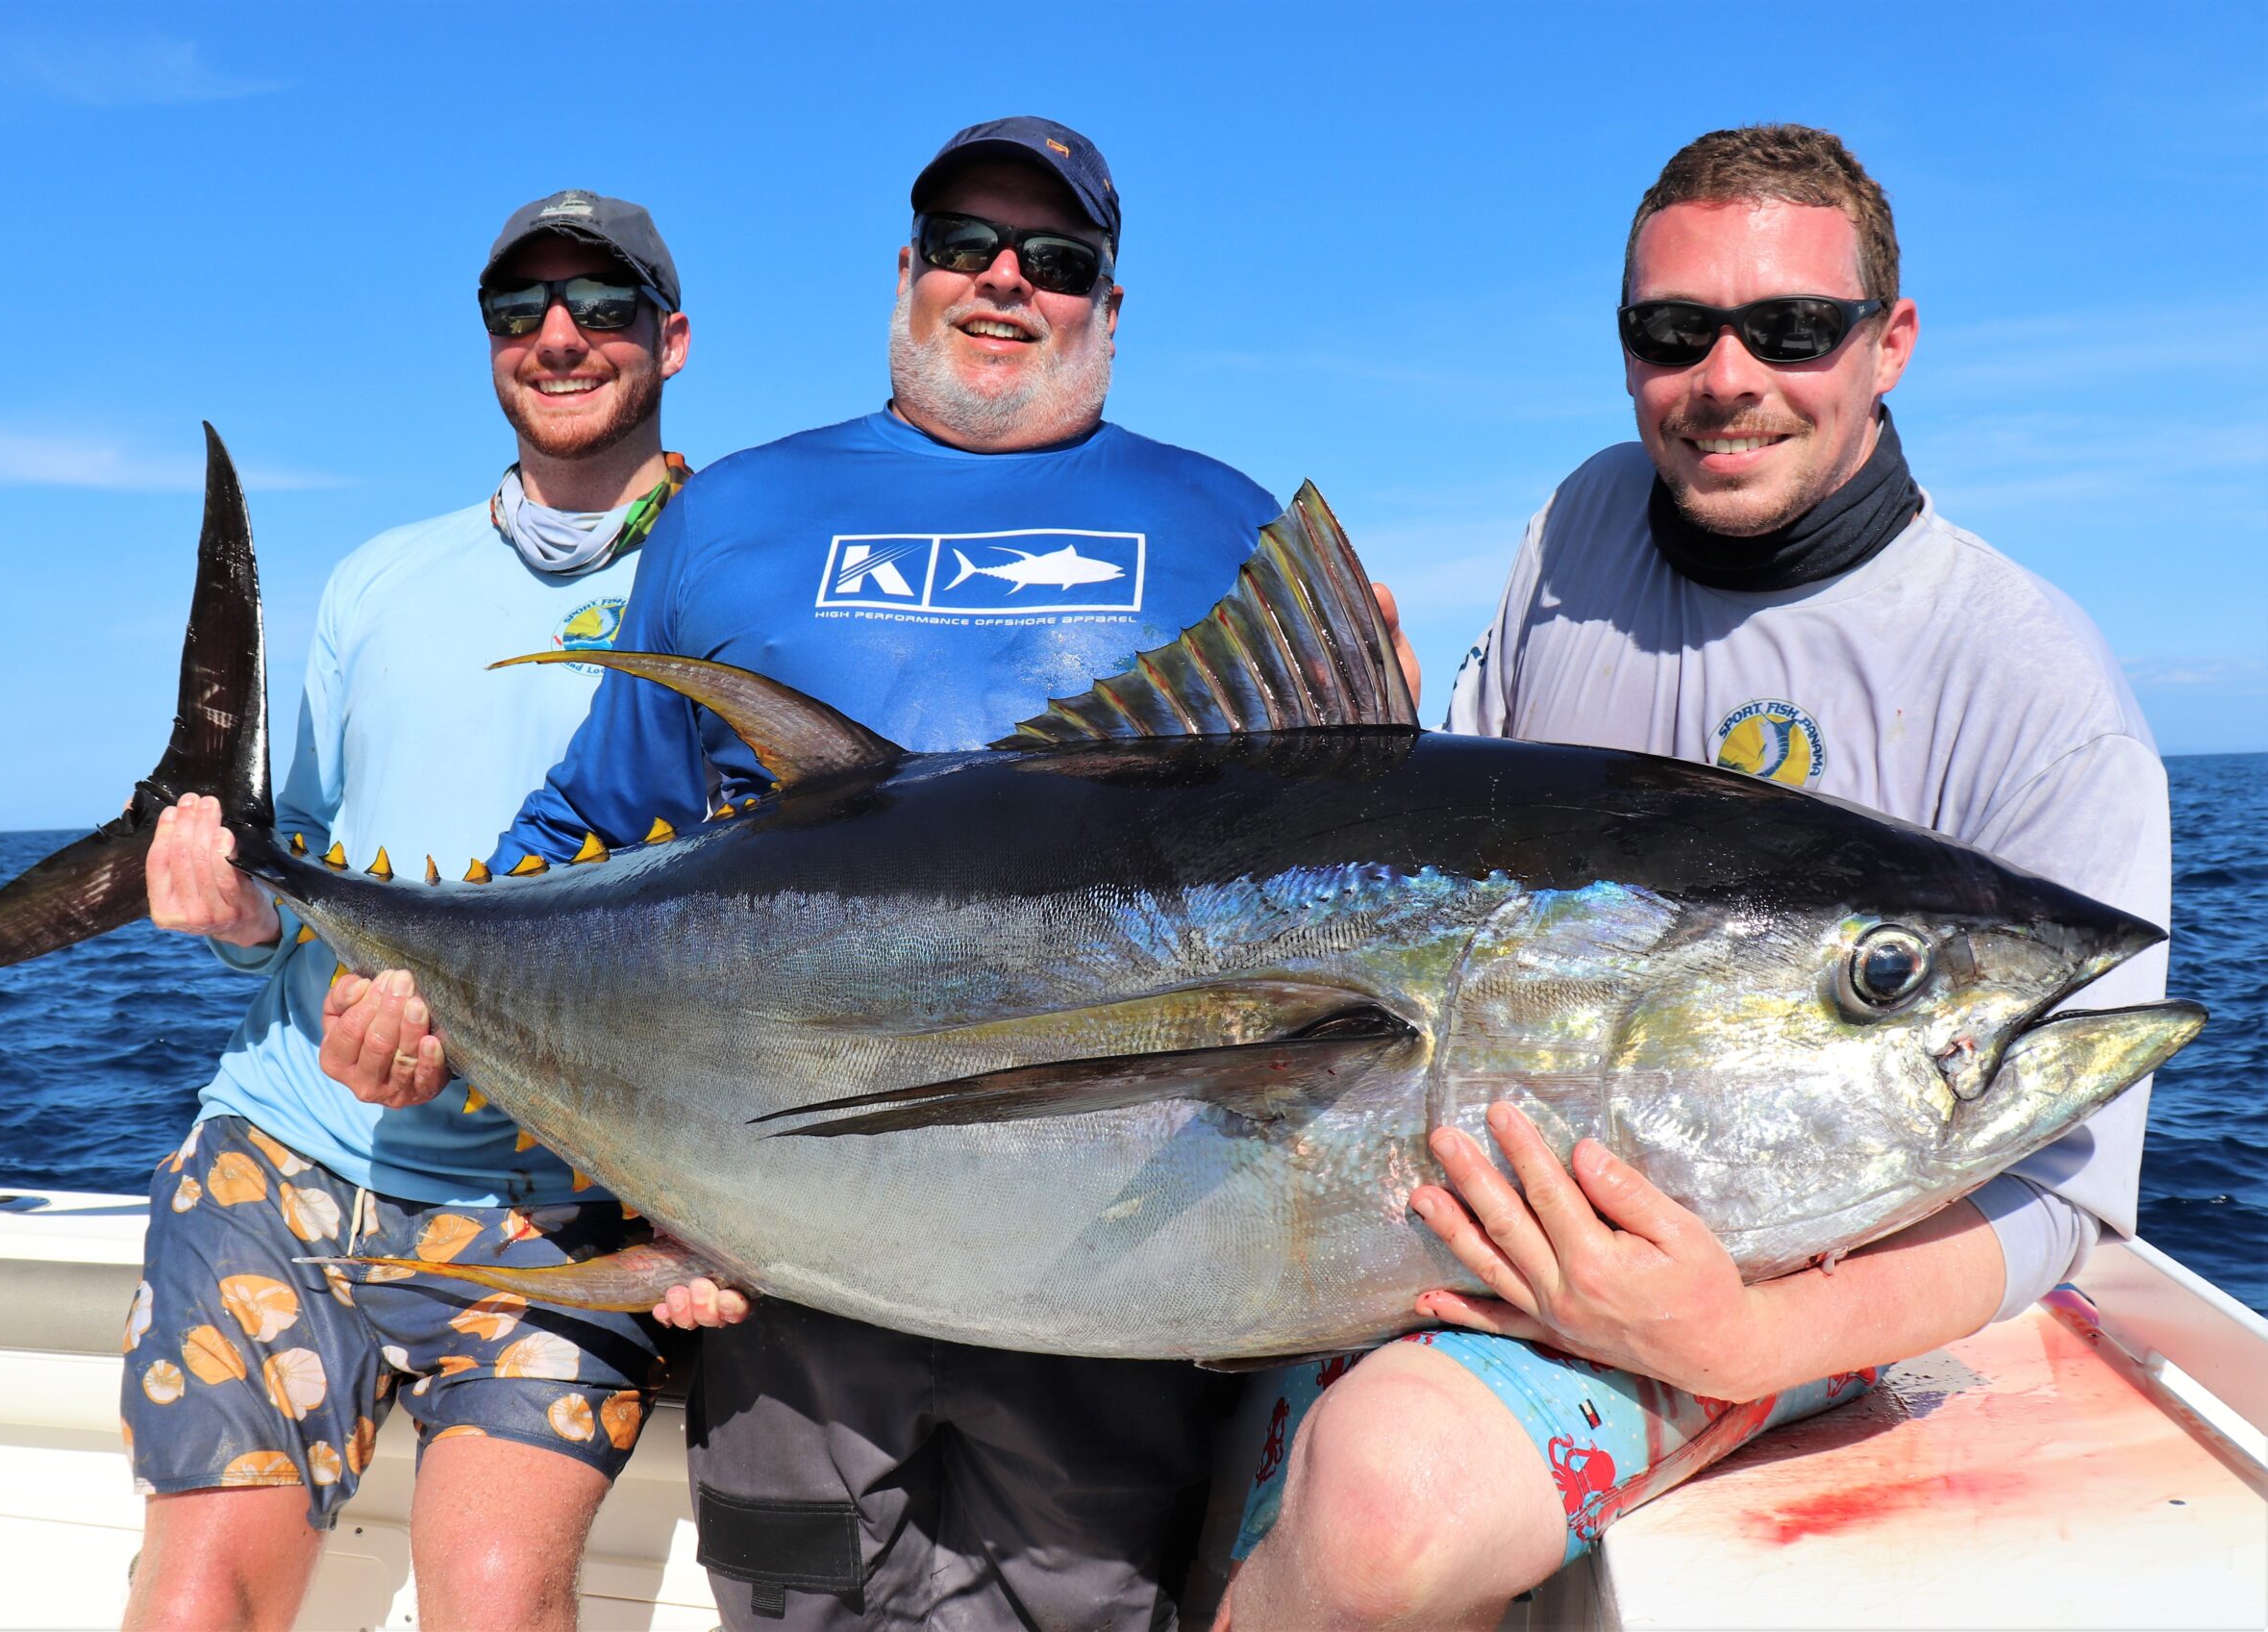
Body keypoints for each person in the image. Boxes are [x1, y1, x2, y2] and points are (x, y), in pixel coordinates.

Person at [322, 115, 1420, 1630]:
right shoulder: (732, 515)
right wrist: (453, 1017)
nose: (1004, 282)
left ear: (1110, 302)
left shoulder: (1225, 522)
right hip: (788, 1283)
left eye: (1056, 258)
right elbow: (577, 837)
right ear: (907, 272)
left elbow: (1354, 878)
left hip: (1113, 1280)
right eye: (965, 243)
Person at [1222, 123, 2172, 1631]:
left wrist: (1736, 1327)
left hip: (1780, 1276)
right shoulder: (1584, 525)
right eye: (1673, 333)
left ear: (1890, 343)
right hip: (1455, 1207)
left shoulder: (2035, 684)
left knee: (1383, 1499)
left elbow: (2065, 1187)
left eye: (1791, 328)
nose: (1725, 376)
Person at [122, 190, 694, 1632]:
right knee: (197, 1602)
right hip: (285, 1153)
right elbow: (302, 861)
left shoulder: (725, 584)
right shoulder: (380, 579)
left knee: (495, 1598)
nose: (559, 337)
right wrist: (230, 906)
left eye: (603, 305)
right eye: (521, 311)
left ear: (671, 340)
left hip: (555, 1202)